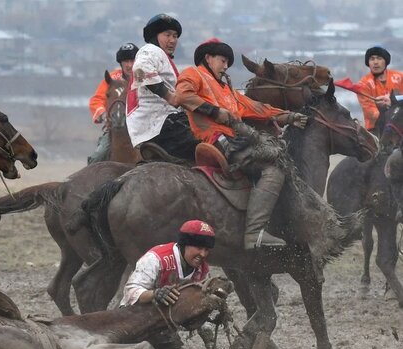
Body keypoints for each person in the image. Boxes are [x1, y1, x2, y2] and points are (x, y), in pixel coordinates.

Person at [175, 38, 308, 249]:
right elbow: (181, 95)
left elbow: (257, 108)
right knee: (275, 170)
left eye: (228, 61)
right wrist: (214, 111)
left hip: (235, 139)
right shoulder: (193, 73)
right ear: (207, 58)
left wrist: (288, 116)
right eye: (223, 60)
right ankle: (254, 233)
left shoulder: (228, 90)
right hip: (217, 140)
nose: (226, 65)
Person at [120, 219, 215, 349]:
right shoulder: (157, 258)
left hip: (163, 330)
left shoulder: (202, 272)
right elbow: (130, 291)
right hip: (131, 323)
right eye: (198, 247)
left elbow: (199, 307)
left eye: (207, 249)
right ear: (185, 243)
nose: (202, 254)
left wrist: (210, 340)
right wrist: (155, 294)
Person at [126, 14, 198, 160]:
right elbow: (140, 71)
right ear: (155, 36)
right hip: (161, 123)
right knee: (210, 139)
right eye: (167, 35)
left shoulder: (161, 57)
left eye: (175, 36)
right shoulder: (150, 51)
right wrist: (169, 96)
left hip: (159, 122)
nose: (172, 40)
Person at [87, 42, 138, 164]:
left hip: (141, 128)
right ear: (121, 63)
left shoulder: (144, 78)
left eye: (132, 61)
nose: (129, 65)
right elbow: (97, 100)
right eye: (126, 61)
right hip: (115, 128)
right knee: (97, 157)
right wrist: (104, 115)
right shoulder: (112, 78)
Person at [357, 45, 403, 133]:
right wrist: (381, 107)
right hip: (375, 128)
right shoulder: (363, 84)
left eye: (379, 58)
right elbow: (369, 111)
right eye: (372, 59)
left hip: (400, 125)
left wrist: (392, 101)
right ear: (368, 63)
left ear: (386, 61)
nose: (375, 62)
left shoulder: (400, 77)